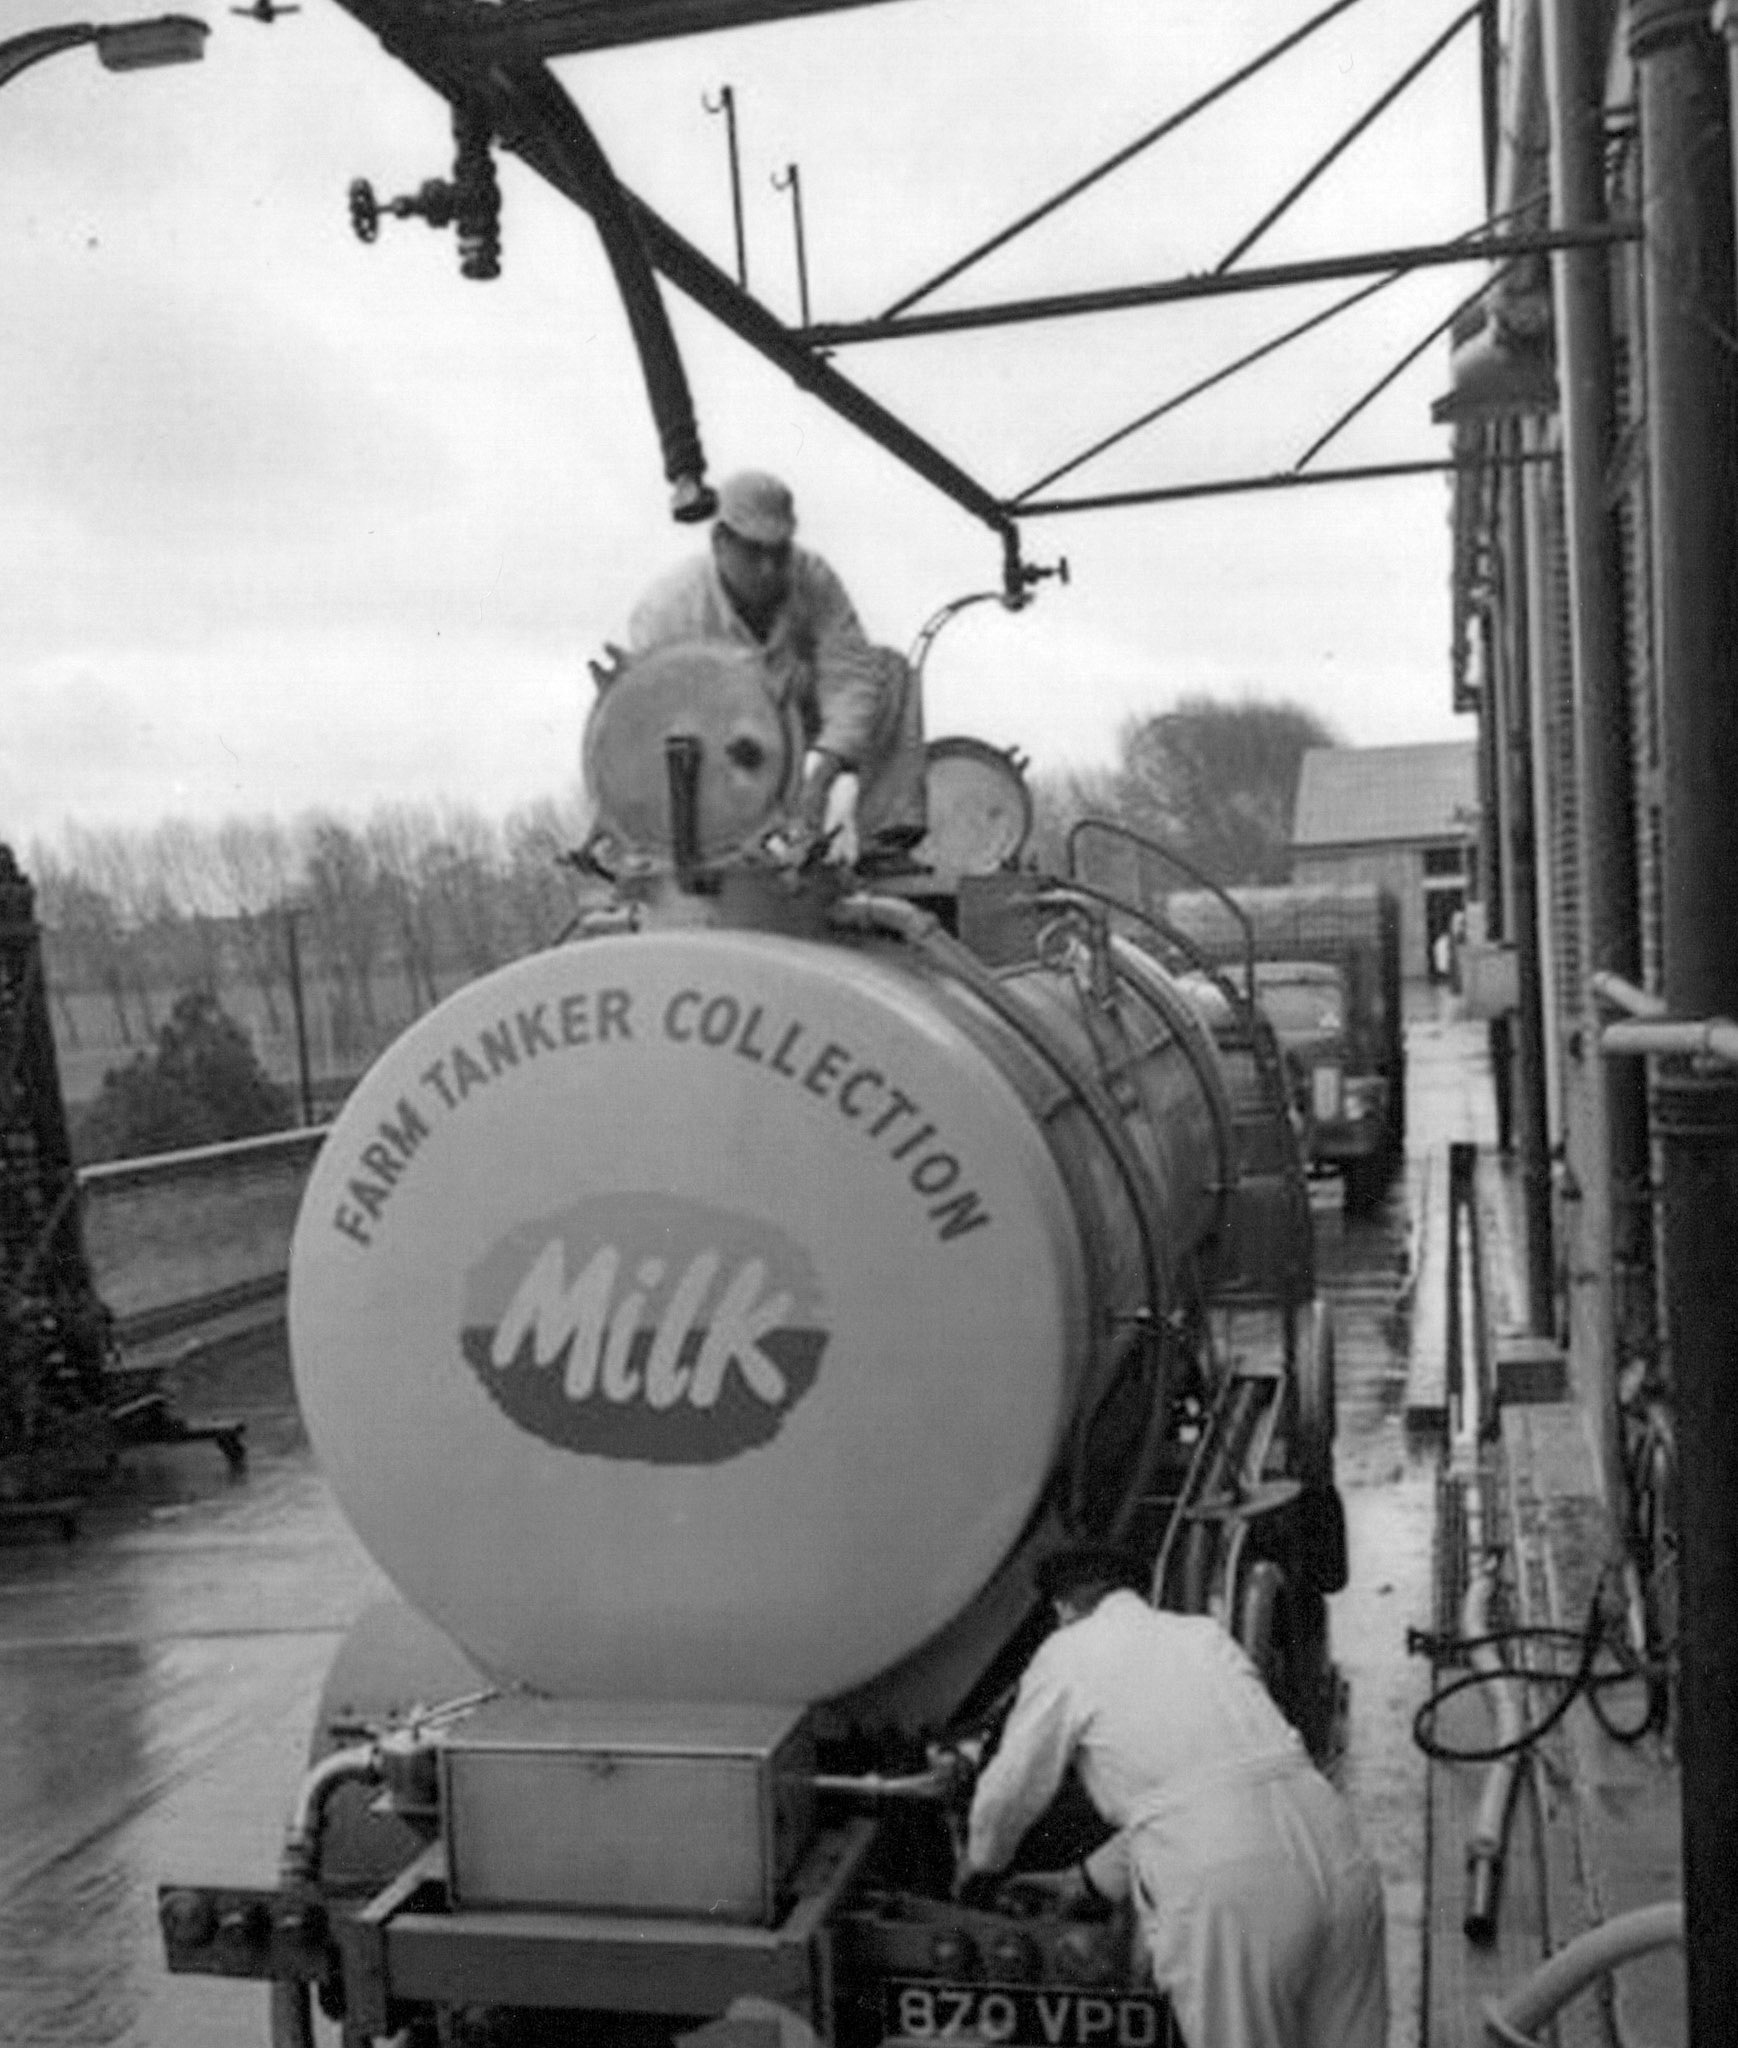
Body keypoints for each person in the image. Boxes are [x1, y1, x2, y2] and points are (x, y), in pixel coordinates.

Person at [960, 1545, 1388, 2048]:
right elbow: (1203, 1793)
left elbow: (1011, 1790)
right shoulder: (1202, 1636)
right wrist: (1086, 1881)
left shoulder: (1067, 1651)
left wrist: (981, 1865)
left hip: (1235, 1896)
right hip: (1336, 1849)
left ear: (1063, 1609)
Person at [622, 469, 926, 866]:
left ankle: (881, 844)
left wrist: (824, 772)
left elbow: (849, 677)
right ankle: (713, 851)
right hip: (714, 748)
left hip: (799, 723)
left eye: (778, 551)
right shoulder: (668, 610)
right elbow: (649, 723)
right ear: (720, 543)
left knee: (888, 670)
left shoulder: (813, 578)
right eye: (753, 551)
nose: (768, 568)